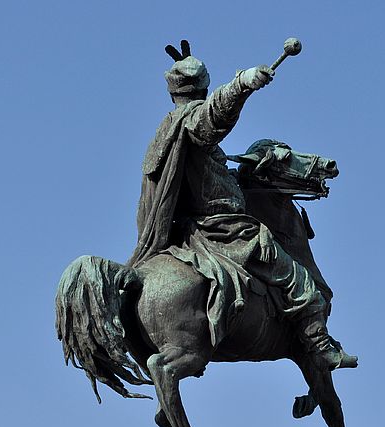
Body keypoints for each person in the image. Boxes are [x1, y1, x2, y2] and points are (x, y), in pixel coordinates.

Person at [128, 40, 355, 370]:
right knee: (297, 278)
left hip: (196, 226)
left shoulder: (167, 130)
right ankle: (320, 345)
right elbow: (213, 116)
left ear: (172, 92)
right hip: (226, 228)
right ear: (203, 88)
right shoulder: (191, 121)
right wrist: (242, 83)